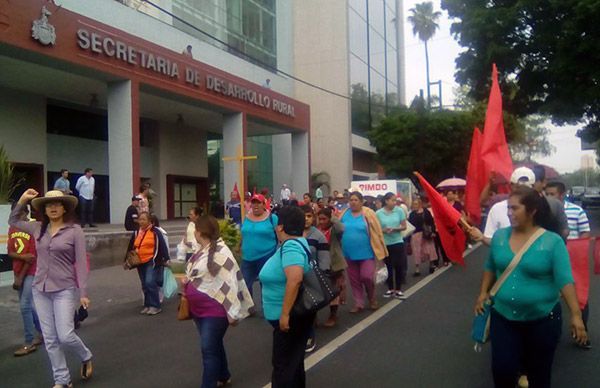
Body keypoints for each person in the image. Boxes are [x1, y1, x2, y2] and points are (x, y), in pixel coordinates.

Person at [474, 186, 587, 387]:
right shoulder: (500, 236)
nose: (509, 213)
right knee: (502, 370)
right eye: (508, 208)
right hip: (504, 317)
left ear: (532, 210)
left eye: (515, 208)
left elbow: (565, 279)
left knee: (539, 375)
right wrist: (483, 293)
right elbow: (490, 266)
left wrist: (576, 315)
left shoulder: (552, 242)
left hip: (543, 320)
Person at [10, 189, 93, 386]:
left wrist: (83, 293)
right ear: (44, 209)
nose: (53, 208)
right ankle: (62, 379)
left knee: (65, 335)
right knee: (50, 338)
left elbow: (81, 263)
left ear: (64, 208)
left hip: (64, 289)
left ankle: (85, 355)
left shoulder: (74, 231)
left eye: (57, 204)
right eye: (49, 205)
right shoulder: (37, 228)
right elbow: (13, 221)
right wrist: (22, 200)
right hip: (40, 289)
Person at [182, 215, 254, 388]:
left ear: (199, 232)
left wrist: (231, 311)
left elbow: (230, 283)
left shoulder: (222, 253)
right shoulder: (202, 250)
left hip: (214, 312)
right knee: (214, 344)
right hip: (198, 310)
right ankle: (223, 375)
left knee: (208, 349)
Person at [258, 206, 313, 388]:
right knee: (293, 363)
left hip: (292, 316)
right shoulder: (296, 243)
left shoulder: (290, 246)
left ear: (280, 226)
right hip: (295, 315)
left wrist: (285, 314)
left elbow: (295, 279)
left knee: (283, 366)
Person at [546, 181, 592, 349]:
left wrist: (577, 247)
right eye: (547, 194)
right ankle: (551, 334)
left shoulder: (577, 211)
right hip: (549, 258)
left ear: (562, 194)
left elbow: (585, 232)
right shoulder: (543, 212)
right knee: (550, 295)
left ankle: (582, 333)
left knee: (579, 296)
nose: (549, 197)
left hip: (572, 257)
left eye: (552, 194)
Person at [339, 191, 388, 312]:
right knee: (354, 280)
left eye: (356, 200)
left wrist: (380, 249)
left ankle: (371, 297)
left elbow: (377, 232)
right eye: (351, 200)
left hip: (366, 253)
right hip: (348, 253)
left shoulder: (368, 213)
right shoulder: (344, 214)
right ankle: (358, 303)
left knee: (366, 277)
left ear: (361, 202)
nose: (353, 202)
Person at [7, 203, 43, 357]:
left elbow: (31, 258)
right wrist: (20, 259)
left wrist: (20, 277)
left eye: (20, 212)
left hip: (30, 271)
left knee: (24, 305)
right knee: (29, 306)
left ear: (26, 212)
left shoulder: (32, 228)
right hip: (18, 271)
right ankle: (44, 332)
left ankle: (29, 342)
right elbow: (10, 252)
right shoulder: (12, 229)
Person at [125, 212, 170, 315]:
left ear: (150, 221)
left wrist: (166, 258)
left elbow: (162, 245)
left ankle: (155, 305)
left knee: (150, 282)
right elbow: (131, 246)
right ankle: (147, 304)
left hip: (151, 260)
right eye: (140, 219)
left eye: (144, 219)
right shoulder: (137, 232)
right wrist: (127, 260)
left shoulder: (155, 232)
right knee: (144, 284)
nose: (141, 222)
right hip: (139, 261)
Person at [300, 204, 331, 353]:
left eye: (309, 216)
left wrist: (323, 274)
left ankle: (309, 336)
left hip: (312, 277)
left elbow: (324, 257)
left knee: (308, 307)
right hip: (295, 276)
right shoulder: (293, 233)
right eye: (303, 216)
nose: (306, 219)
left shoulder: (318, 235)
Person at [240, 194, 279, 301]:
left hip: (266, 256)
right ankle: (248, 308)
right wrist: (239, 247)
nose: (256, 205)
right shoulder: (246, 217)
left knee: (265, 284)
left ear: (264, 204)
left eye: (258, 203)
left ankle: (267, 308)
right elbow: (243, 234)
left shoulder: (272, 218)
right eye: (253, 202)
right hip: (247, 257)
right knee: (244, 284)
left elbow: (280, 236)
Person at [317, 207, 347, 327]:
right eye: (320, 219)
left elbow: (341, 228)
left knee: (334, 288)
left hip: (334, 263)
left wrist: (334, 217)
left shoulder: (334, 230)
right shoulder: (316, 230)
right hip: (319, 263)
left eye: (324, 219)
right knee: (317, 289)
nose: (322, 221)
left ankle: (333, 314)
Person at [376, 192, 408, 299]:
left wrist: (394, 229)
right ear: (386, 201)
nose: (395, 202)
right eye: (393, 200)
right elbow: (376, 229)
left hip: (398, 241)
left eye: (395, 200)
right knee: (388, 266)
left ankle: (398, 289)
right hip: (385, 243)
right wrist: (383, 230)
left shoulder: (399, 210)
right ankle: (390, 288)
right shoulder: (379, 213)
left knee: (399, 265)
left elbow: (404, 226)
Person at [408, 198, 437, 275]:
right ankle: (417, 269)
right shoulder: (412, 214)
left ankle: (431, 265)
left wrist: (433, 231)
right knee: (416, 251)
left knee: (429, 249)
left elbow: (431, 222)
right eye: (413, 204)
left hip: (426, 233)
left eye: (416, 204)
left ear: (420, 204)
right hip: (415, 235)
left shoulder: (426, 212)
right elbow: (410, 225)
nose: (415, 206)